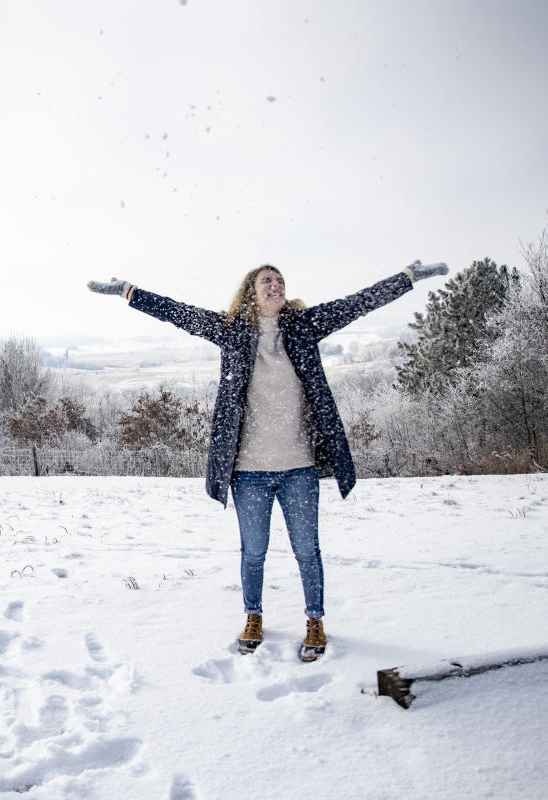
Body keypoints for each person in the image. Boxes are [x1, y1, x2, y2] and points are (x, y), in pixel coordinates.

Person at [87, 260, 448, 660]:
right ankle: (253, 616)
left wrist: (408, 278)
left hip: (299, 467)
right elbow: (179, 313)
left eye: (279, 280)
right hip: (249, 470)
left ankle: (315, 621)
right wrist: (128, 291)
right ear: (251, 291)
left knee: (307, 550)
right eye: (266, 281)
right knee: (254, 551)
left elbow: (358, 303)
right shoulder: (232, 331)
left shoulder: (304, 325)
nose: (274, 285)